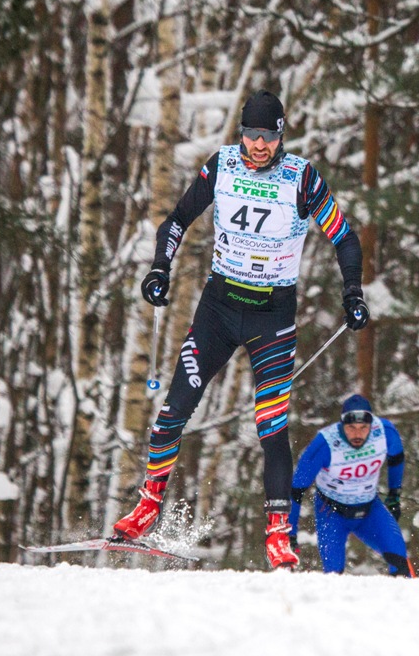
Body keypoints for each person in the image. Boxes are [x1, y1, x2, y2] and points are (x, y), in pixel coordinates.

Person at [113, 90, 370, 570]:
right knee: (174, 409)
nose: (259, 145)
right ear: (241, 135)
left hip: (272, 318)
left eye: (268, 137)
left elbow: (344, 237)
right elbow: (176, 220)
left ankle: (278, 532)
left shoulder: (302, 178)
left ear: (280, 135)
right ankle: (148, 505)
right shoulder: (222, 166)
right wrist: (158, 269)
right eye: (251, 135)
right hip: (218, 308)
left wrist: (352, 291)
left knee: (271, 427)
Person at [288, 394, 412, 576]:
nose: (357, 434)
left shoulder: (384, 432)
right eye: (351, 428)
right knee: (333, 574)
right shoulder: (325, 444)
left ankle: (405, 602)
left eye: (363, 428)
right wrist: (290, 533)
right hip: (331, 513)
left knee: (399, 559)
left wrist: (394, 495)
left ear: (372, 424)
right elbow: (297, 489)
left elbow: (397, 459)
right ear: (341, 425)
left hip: (370, 510)